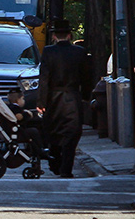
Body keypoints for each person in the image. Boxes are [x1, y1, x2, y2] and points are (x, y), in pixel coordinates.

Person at [37, 20, 92, 178]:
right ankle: (65, 168)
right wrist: (86, 96)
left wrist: (41, 101)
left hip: (54, 98)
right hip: (72, 97)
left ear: (54, 36)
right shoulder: (79, 52)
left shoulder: (48, 52)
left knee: (54, 131)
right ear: (69, 35)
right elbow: (86, 77)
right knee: (71, 133)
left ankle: (55, 162)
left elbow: (44, 79)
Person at [7, 88, 45, 158]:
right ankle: (40, 149)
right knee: (34, 131)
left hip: (15, 129)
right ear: (18, 100)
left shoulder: (10, 107)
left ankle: (35, 149)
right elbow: (19, 117)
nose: (24, 101)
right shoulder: (15, 108)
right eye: (22, 99)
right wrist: (28, 114)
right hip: (17, 132)